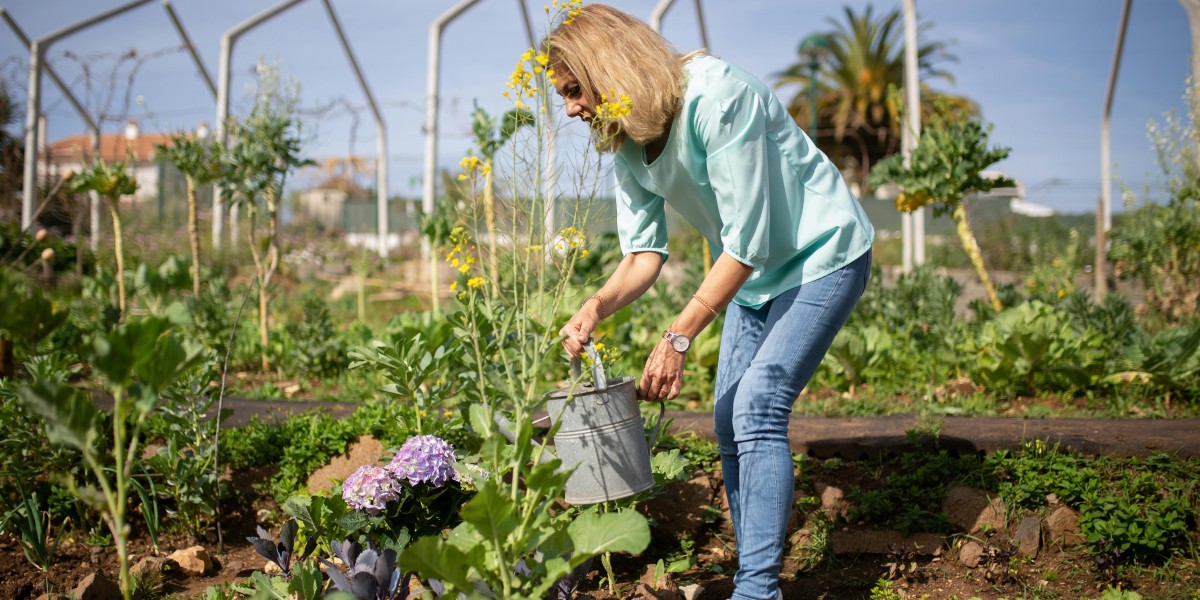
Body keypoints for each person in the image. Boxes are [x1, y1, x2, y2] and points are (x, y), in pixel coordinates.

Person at [549, 5, 874, 599]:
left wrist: (678, 335)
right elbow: (643, 252)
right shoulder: (623, 137)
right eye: (563, 96)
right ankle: (755, 573)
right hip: (751, 279)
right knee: (729, 421)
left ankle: (756, 590)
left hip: (823, 255)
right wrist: (595, 306)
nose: (570, 108)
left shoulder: (719, 96)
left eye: (574, 90)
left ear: (607, 68)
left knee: (757, 408)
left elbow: (747, 241)